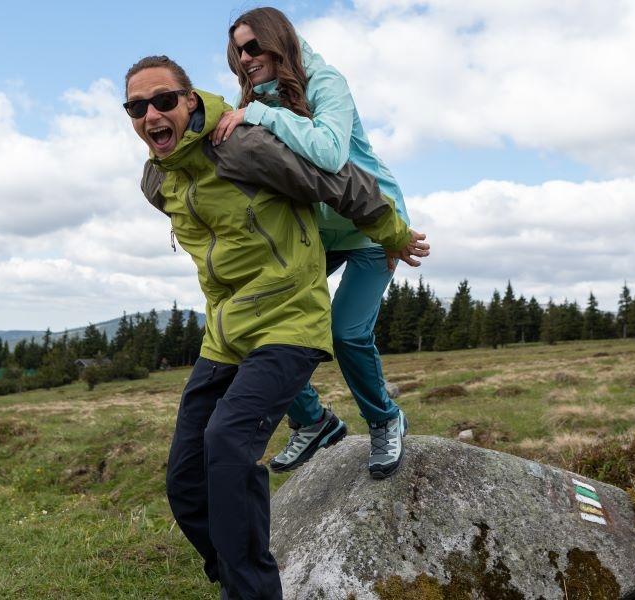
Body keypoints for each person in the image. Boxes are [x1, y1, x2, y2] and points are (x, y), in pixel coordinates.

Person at [124, 56, 427, 599]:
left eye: (163, 100)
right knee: (186, 481)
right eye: (137, 107)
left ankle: (252, 590)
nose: (151, 115)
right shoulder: (157, 179)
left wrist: (393, 233)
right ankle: (237, 575)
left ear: (190, 100)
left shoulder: (241, 145)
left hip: (289, 320)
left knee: (228, 442)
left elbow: (338, 179)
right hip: (226, 334)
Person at [213, 7, 424, 479]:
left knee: (346, 333)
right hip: (316, 232)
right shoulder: (254, 99)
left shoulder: (326, 83)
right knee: (261, 318)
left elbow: (330, 153)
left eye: (252, 46)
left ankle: (385, 419)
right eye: (237, 51)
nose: (244, 58)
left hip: (372, 225)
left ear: (278, 40)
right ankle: (313, 421)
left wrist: (260, 115)